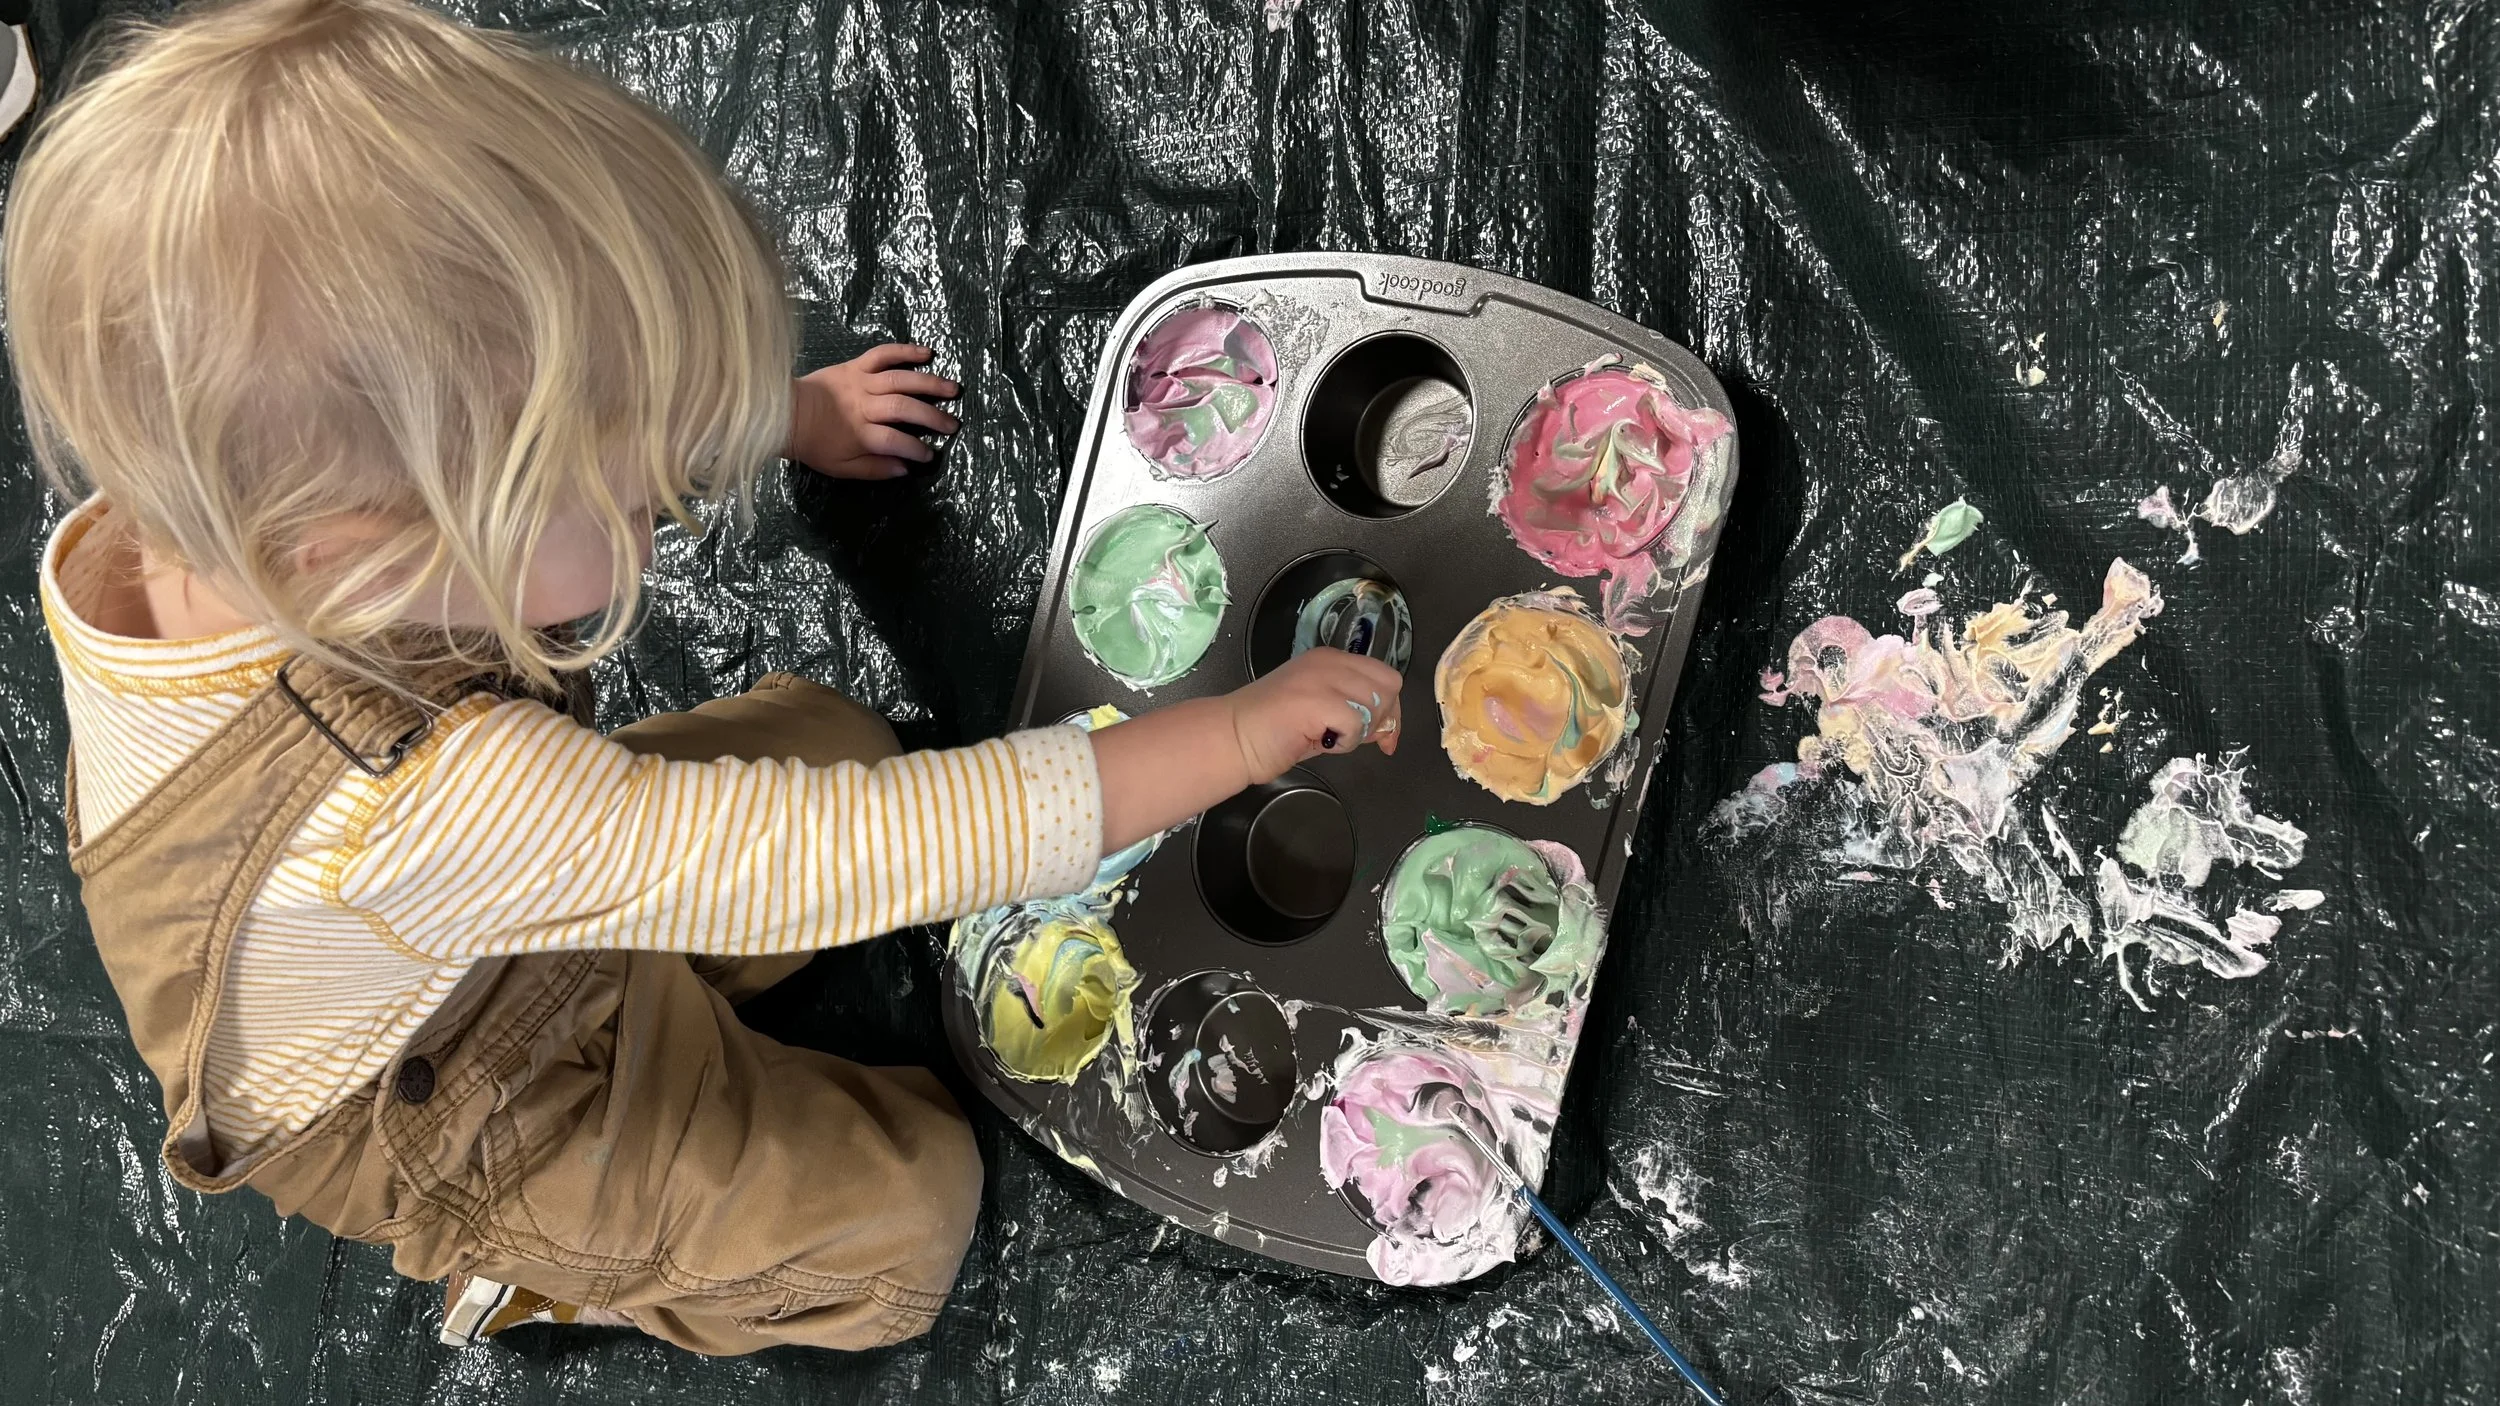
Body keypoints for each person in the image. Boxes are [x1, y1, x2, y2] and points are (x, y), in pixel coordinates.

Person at [3, 0, 1403, 1356]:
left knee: (845, 732)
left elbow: (580, 411)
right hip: (452, 1098)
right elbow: (873, 848)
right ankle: (545, 1273)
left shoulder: (237, 514)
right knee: (910, 1215)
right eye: (620, 498)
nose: (662, 507)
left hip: (467, 904)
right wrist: (1233, 732)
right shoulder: (414, 802)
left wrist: (795, 411)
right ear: (366, 555)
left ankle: (608, 949)